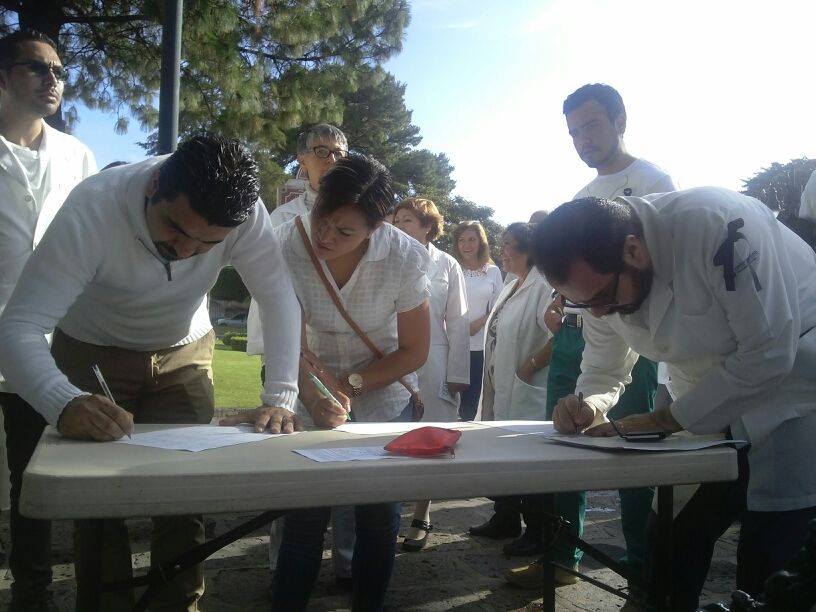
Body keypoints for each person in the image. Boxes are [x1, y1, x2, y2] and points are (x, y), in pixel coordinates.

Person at [0, 133, 301, 612]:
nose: (186, 252)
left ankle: (176, 605)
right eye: (176, 229)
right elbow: (18, 325)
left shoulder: (246, 215)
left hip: (183, 350)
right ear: (155, 184)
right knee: (98, 499)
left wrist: (281, 395)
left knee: (185, 494)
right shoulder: (94, 207)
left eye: (210, 244)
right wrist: (62, 400)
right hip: (90, 349)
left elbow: (279, 297)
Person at [533, 189, 816, 611]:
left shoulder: (718, 224)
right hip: (699, 401)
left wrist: (667, 418)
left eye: (602, 299)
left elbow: (768, 353)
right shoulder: (600, 283)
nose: (596, 313)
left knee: (771, 557)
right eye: (581, 303)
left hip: (793, 386)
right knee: (668, 540)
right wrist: (589, 403)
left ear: (633, 249)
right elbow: (606, 365)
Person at [231, 154, 430, 611]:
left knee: (378, 518)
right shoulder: (284, 245)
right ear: (315, 201)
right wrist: (311, 393)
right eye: (324, 220)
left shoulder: (403, 256)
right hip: (310, 379)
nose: (326, 238)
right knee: (304, 515)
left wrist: (351, 384)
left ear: (376, 228)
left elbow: (414, 350)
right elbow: (289, 341)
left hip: (383, 388)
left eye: (346, 233)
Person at [506, 83, 680, 591]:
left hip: (636, 336)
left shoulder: (653, 180)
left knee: (636, 448)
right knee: (568, 437)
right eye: (574, 132)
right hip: (580, 334)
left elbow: (657, 269)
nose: (583, 139)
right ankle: (561, 558)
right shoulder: (580, 197)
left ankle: (643, 569)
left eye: (592, 125)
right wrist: (564, 302)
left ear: (620, 119)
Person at [0, 29, 96, 611]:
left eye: (60, 69)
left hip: (44, 342)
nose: (54, 79)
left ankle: (32, 590)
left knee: (32, 475)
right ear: (4, 77)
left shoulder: (78, 156)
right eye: (38, 68)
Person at [246, 122, 353, 587]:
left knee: (352, 466)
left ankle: (349, 563)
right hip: (293, 355)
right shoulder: (280, 218)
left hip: (348, 358)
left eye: (337, 151)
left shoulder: (369, 214)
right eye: (319, 151)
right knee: (289, 458)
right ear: (302, 161)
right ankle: (281, 560)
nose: (329, 159)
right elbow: (267, 292)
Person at [468, 222, 556, 560]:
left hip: (526, 385)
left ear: (528, 251)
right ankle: (505, 518)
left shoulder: (544, 285)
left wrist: (530, 365)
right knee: (504, 455)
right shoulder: (511, 283)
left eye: (508, 246)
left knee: (529, 461)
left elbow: (557, 336)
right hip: (499, 382)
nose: (502, 251)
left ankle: (537, 531)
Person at [393, 197, 470, 552]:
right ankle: (385, 510)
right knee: (391, 432)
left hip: (435, 361)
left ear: (428, 226)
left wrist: (457, 375)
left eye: (407, 219)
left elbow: (457, 322)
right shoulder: (388, 258)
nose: (399, 225)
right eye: (396, 219)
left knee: (430, 437)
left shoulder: (448, 264)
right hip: (392, 360)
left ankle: (421, 513)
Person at [451, 221, 503, 421]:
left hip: (479, 346)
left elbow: (498, 307)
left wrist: (478, 324)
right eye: (461, 240)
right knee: (449, 399)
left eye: (471, 239)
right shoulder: (452, 267)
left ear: (481, 242)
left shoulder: (493, 271)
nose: (466, 245)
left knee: (471, 403)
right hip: (452, 344)